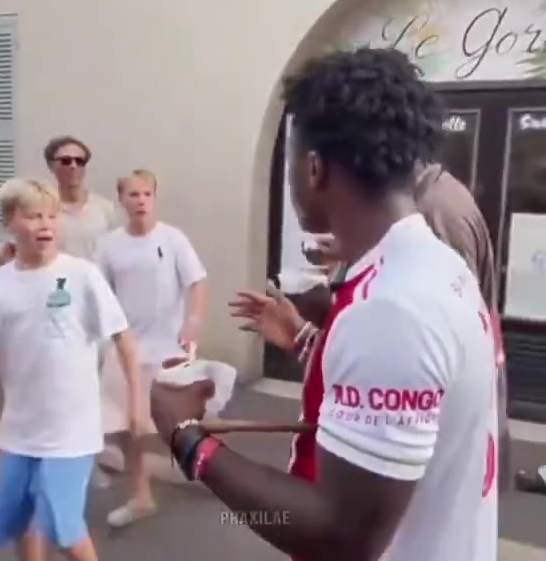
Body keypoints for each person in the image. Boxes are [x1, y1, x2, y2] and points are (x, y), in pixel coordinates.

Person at [149, 48, 498, 560]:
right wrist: (306, 340)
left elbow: (339, 537)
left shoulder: (390, 310)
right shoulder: (438, 268)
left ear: (313, 168)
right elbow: (414, 399)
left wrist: (187, 438)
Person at [286, 162, 510, 492]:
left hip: (432, 475)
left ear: (316, 167)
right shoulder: (433, 207)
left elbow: (418, 354)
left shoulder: (436, 215)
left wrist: (202, 449)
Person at [0, 178, 144, 561]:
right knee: (19, 521)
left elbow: (124, 340)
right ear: (10, 223)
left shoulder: (82, 275)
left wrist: (136, 403)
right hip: (19, 433)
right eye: (33, 216)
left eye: (52, 215)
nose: (46, 224)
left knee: (64, 529)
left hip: (71, 433)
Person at [0, 135, 120, 489]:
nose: (73, 167)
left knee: (91, 390)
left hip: (94, 309)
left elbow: (117, 255)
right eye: (65, 160)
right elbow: (14, 254)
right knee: (55, 389)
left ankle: (87, 456)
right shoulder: (42, 210)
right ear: (52, 165)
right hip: (51, 309)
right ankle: (54, 460)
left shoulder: (104, 210)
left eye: (79, 160)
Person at [95, 169, 208, 528]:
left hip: (167, 350)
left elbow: (197, 281)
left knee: (179, 421)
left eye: (147, 194)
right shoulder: (109, 245)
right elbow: (100, 294)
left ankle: (209, 466)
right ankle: (140, 497)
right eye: (133, 194)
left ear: (154, 198)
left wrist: (194, 320)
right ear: (122, 200)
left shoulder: (172, 239)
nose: (141, 200)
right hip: (126, 351)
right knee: (130, 427)